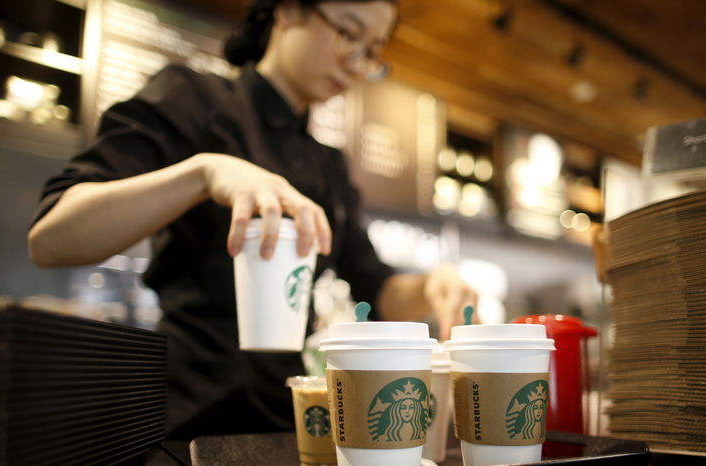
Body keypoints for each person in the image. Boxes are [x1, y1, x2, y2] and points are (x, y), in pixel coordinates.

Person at [27, 0, 478, 438]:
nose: (357, 63)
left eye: (373, 51)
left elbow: (374, 287)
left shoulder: (327, 164)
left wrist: (428, 285)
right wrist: (205, 173)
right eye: (348, 34)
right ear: (286, 10)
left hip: (285, 420)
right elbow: (52, 239)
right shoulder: (192, 99)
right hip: (182, 416)